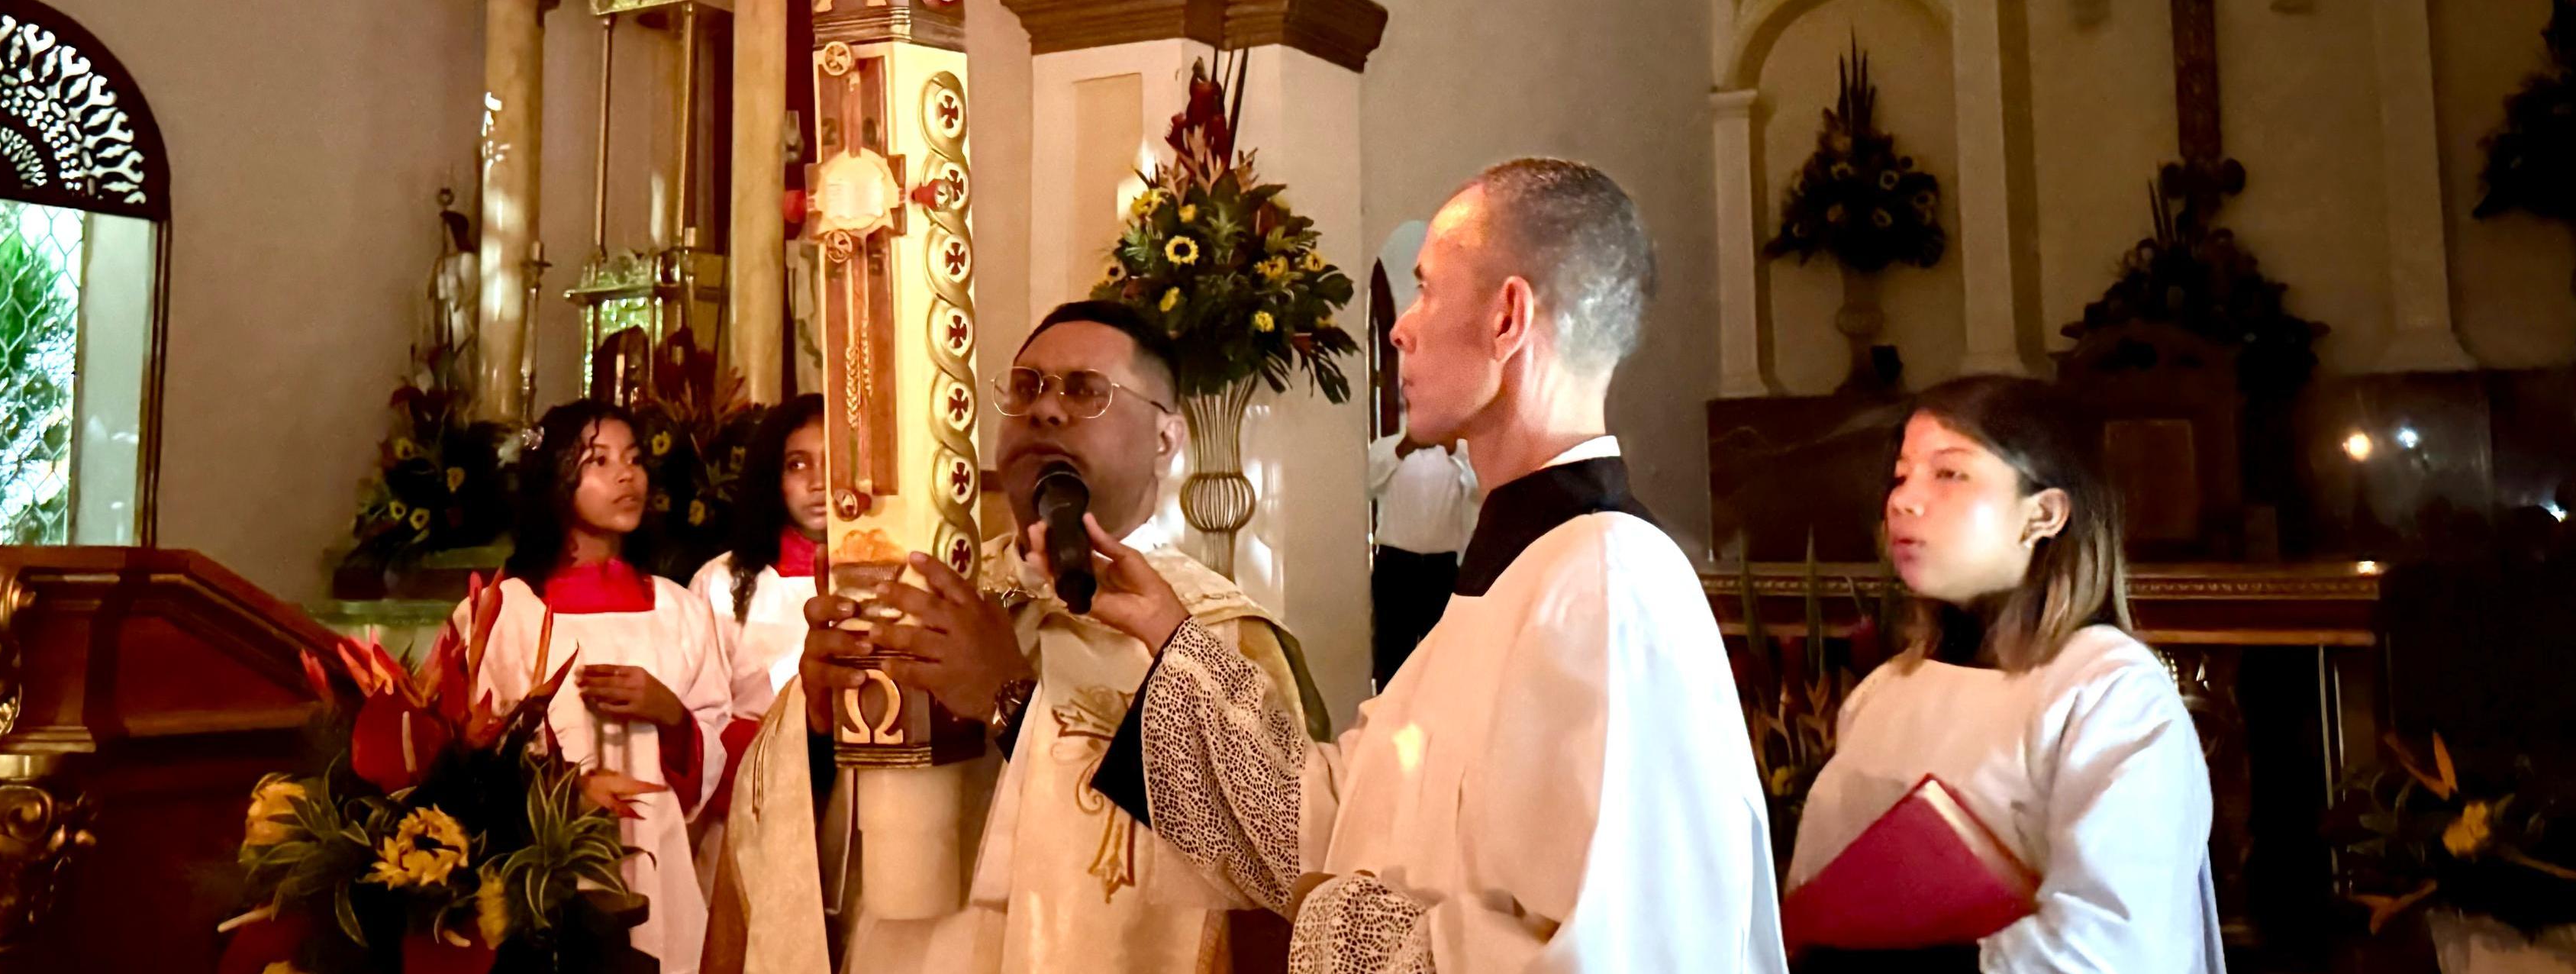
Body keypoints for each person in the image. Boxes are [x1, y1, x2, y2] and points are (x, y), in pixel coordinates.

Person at [1065, 156, 1786, 971]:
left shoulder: (1607, 584)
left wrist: (1336, 925)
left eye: (1425, 289)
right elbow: (1334, 820)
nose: (1399, 328)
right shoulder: (1523, 573)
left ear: (1507, 318)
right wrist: (1170, 634)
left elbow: (1622, 955)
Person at [711, 302, 1319, 974]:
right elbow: (794, 849)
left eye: (1085, 390)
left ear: (1165, 438)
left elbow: (1261, 869)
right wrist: (819, 730)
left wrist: (1009, 702)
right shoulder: (936, 585)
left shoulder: (1217, 635)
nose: (1046, 409)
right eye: (1027, 387)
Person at [1784, 376, 2218, 973]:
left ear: (2043, 513)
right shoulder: (1882, 692)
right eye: (1901, 475)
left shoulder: (2109, 691)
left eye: (1949, 473)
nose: (1904, 500)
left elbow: (2115, 942)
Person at [459, 400, 734, 974]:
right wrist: (563, 790)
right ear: (553, 480)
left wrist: (670, 714)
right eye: (599, 461)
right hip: (542, 879)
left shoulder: (679, 610)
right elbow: (470, 757)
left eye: (633, 459)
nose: (626, 476)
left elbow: (716, 745)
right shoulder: (504, 612)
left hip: (659, 863)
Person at [685, 396, 828, 883]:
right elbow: (698, 713)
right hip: (747, 801)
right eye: (798, 464)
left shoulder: (884, 575)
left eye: (835, 461)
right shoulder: (723, 581)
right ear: (773, 475)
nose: (819, 482)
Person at [1365, 427, 1477, 684]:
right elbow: (1365, 487)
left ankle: (1439, 710)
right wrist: (1401, 450)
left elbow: (1479, 489)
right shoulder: (1385, 448)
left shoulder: (1462, 453)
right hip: (1395, 569)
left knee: (1442, 657)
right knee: (1392, 655)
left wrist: (1454, 451)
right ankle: (1390, 709)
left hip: (1442, 570)